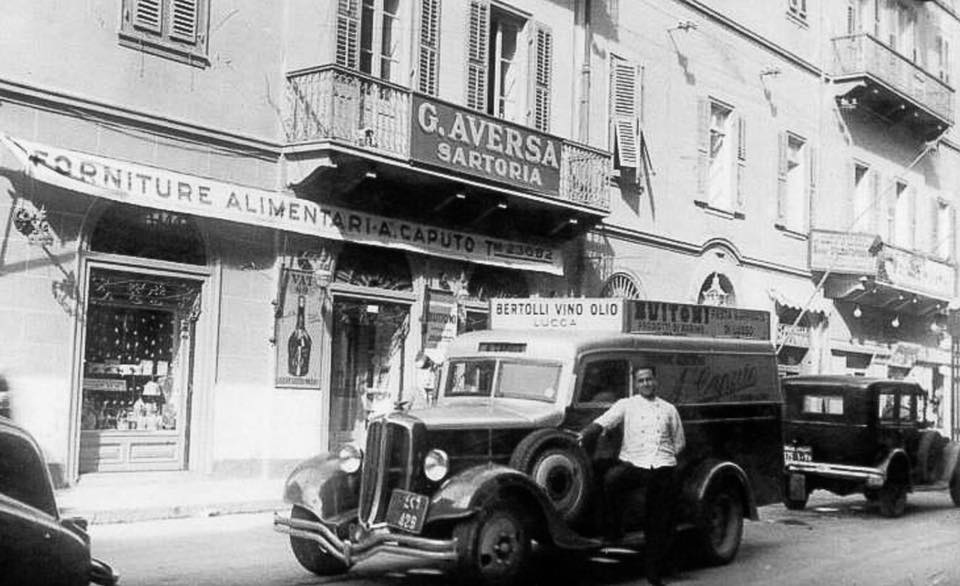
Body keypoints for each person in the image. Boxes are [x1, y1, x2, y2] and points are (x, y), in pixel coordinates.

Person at [579, 366, 685, 586]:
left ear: (656, 381)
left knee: (657, 521)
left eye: (649, 379)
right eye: (641, 380)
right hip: (634, 464)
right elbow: (603, 422)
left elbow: (679, 442)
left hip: (663, 467)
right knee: (611, 480)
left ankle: (654, 573)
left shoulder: (669, 409)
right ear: (636, 384)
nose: (646, 384)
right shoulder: (626, 405)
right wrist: (583, 435)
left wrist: (664, 458)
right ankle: (614, 531)